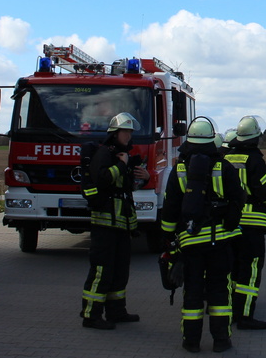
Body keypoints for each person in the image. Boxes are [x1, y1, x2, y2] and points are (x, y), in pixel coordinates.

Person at [161, 117, 246, 353]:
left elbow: (170, 209)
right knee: (220, 291)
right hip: (220, 242)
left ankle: (191, 342)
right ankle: (221, 340)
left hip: (191, 243)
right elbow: (238, 198)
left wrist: (168, 238)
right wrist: (230, 223)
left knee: (193, 292)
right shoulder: (223, 166)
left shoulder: (179, 170)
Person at [81, 112, 150, 329]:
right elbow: (102, 179)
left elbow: (127, 186)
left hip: (121, 225)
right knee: (102, 270)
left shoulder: (123, 155)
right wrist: (121, 165)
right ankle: (91, 315)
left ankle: (116, 312)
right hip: (104, 225)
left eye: (130, 132)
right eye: (124, 131)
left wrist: (144, 177)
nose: (128, 136)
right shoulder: (104, 153)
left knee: (120, 270)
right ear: (114, 133)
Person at [224, 115, 266, 330]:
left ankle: (229, 312)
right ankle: (245, 316)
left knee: (232, 269)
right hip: (252, 225)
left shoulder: (226, 158)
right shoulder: (255, 160)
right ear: (255, 137)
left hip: (229, 223)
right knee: (250, 270)